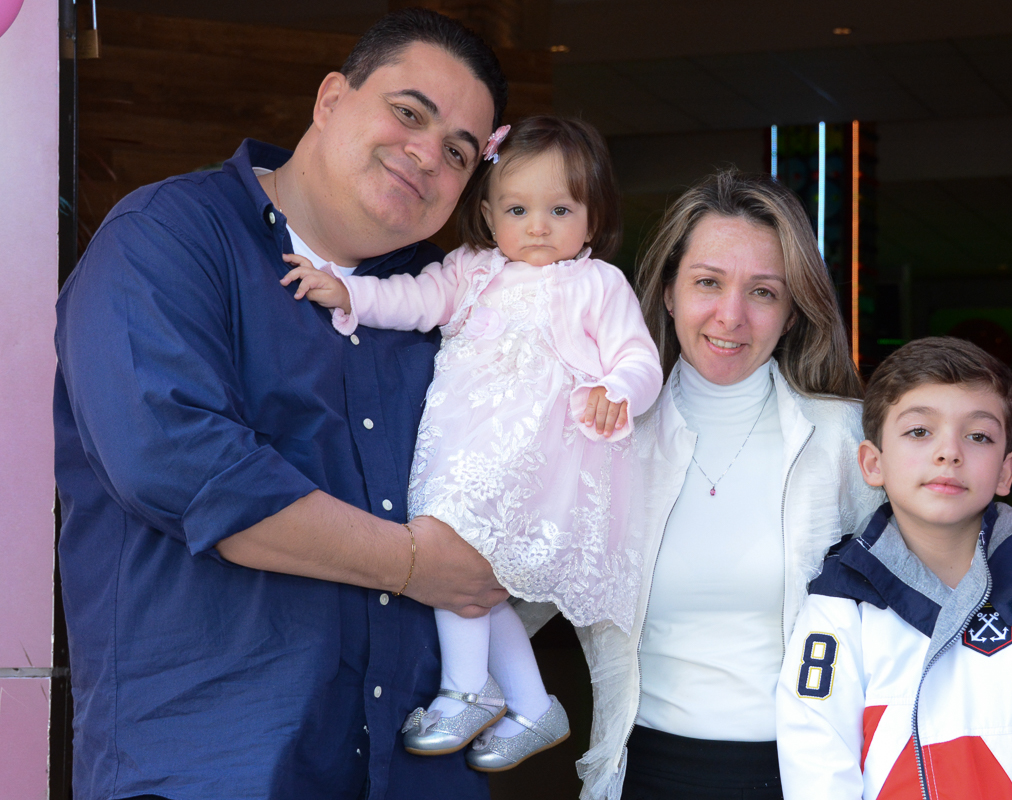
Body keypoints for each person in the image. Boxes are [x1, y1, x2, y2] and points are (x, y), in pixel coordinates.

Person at [53, 10, 514, 800]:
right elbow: (183, 468)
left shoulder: (458, 302)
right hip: (211, 771)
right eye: (409, 113)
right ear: (331, 99)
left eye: (458, 153)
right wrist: (413, 565)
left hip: (415, 773)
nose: (426, 155)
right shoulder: (167, 239)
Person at [280, 114, 663, 771]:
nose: (537, 226)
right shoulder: (470, 273)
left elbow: (640, 359)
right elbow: (410, 299)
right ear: (487, 213)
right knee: (470, 580)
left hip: (531, 461)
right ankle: (531, 703)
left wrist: (618, 389)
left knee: (452, 560)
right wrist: (349, 292)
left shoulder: (596, 285)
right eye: (517, 209)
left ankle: (467, 690)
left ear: (592, 218)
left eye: (560, 210)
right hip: (458, 449)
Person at [575, 170, 882, 800]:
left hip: (804, 778)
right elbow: (510, 583)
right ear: (668, 291)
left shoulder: (844, 440)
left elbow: (934, 572)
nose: (731, 316)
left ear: (792, 313)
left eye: (763, 292)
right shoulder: (606, 439)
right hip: (640, 776)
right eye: (708, 282)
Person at [776, 337, 1012, 799]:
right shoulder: (843, 591)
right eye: (919, 431)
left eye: (978, 436)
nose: (949, 452)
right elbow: (817, 762)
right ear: (872, 463)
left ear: (1006, 471)